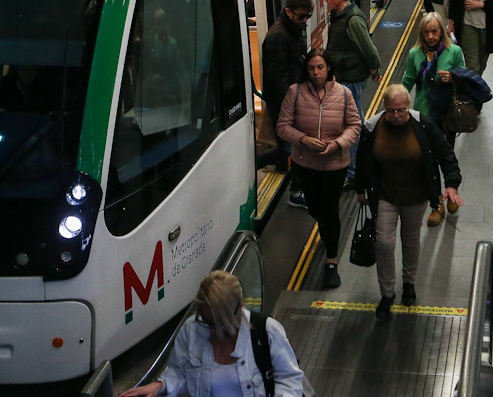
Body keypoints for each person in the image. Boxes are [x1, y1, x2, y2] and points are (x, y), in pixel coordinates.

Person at [354, 85, 463, 320]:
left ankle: (409, 282)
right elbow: (363, 160)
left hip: (416, 196)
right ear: (384, 107)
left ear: (408, 106)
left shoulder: (423, 125)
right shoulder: (372, 127)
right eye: (392, 111)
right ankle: (387, 294)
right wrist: (360, 188)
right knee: (384, 243)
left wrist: (452, 183)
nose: (396, 115)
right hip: (384, 195)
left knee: (410, 240)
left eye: (401, 110)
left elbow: (445, 154)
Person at [118, 270, 305, 397]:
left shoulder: (267, 331)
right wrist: (160, 385)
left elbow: (290, 378)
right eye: (206, 322)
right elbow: (180, 372)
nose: (213, 331)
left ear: (239, 308)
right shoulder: (191, 330)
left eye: (220, 323)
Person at [277, 48, 361, 288]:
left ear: (329, 68)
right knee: (315, 207)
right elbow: (282, 126)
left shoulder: (344, 94)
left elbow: (355, 125)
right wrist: (303, 139)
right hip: (306, 164)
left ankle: (331, 261)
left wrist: (337, 144)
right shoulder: (295, 93)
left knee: (330, 210)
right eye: (311, 68)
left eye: (320, 67)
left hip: (335, 165)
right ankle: (325, 228)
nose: (316, 73)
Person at [402, 12, 465, 229]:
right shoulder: (414, 54)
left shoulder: (454, 52)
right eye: (426, 32)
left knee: (446, 156)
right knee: (429, 161)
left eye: (434, 31)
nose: (430, 36)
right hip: (424, 115)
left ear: (441, 32)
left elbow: (465, 79)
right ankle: (437, 204)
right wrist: (396, 102)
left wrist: (453, 77)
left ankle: (451, 191)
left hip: (447, 115)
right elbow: (408, 80)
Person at [324, 0, 381, 183]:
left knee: (353, 125)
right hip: (344, 77)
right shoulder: (339, 15)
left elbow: (369, 50)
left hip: (351, 79)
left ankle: (354, 171)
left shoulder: (353, 20)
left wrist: (374, 69)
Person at [261, 0, 314, 208]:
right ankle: (295, 191)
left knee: (290, 146)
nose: (305, 21)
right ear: (289, 12)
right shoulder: (279, 37)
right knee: (292, 147)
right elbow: (277, 78)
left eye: (308, 17)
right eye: (302, 16)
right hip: (283, 102)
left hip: (292, 97)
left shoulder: (291, 30)